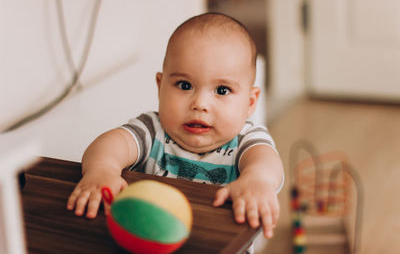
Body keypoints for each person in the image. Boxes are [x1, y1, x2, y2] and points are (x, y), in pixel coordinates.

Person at [67, 12, 284, 239]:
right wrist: (103, 169)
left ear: (250, 103)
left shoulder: (245, 139)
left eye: (222, 90)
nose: (200, 104)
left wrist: (257, 179)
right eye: (184, 85)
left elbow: (266, 161)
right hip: (150, 239)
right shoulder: (152, 130)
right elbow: (111, 144)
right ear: (160, 86)